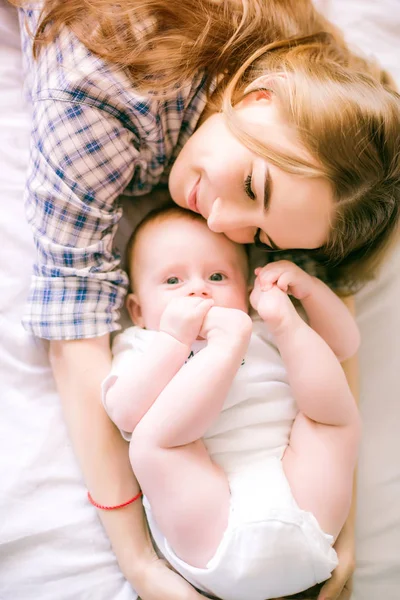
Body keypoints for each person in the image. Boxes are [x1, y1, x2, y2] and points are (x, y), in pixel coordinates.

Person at [13, 0, 400, 598]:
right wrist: (139, 562)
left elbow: (332, 290)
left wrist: (339, 535)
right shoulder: (98, 100)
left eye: (261, 238)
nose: (221, 221)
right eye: (252, 185)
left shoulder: (321, 78)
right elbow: (74, 317)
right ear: (259, 96)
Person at [102, 204, 361, 600]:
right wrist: (173, 341)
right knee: (152, 445)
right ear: (137, 310)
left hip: (305, 500)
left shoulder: (265, 327)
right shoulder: (145, 344)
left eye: (217, 276)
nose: (198, 289)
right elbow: (124, 412)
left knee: (333, 419)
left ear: (245, 294)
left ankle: (258, 334)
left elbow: (344, 346)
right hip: (212, 526)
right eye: (172, 280)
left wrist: (302, 301)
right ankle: (222, 350)